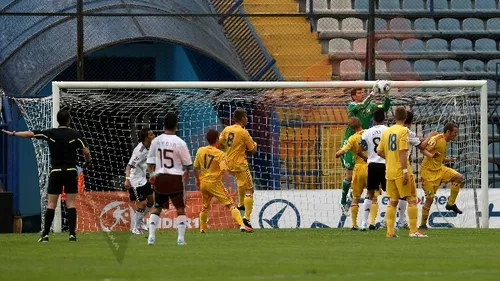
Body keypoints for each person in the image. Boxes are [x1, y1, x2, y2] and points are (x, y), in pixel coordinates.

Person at [2, 109, 91, 242]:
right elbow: (86, 151)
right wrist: (87, 161)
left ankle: (45, 235)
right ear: (68, 120)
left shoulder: (51, 133)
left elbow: (30, 134)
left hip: (56, 172)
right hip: (70, 171)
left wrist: (14, 133)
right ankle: (72, 235)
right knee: (71, 203)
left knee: (51, 204)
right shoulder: (75, 134)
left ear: (57, 120)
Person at [339, 83, 391, 215]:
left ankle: (354, 193)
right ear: (353, 96)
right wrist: (372, 94)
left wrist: (386, 95)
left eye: (362, 92)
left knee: (365, 171)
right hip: (350, 142)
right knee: (349, 174)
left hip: (364, 141)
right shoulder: (352, 106)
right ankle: (343, 201)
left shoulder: (371, 106)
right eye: (358, 93)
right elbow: (361, 106)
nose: (361, 94)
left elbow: (384, 108)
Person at [377, 107, 427, 238]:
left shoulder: (387, 131)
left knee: (393, 201)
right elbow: (402, 152)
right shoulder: (404, 130)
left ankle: (390, 232)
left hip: (390, 172)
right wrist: (405, 171)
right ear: (405, 118)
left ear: (395, 117)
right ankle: (413, 231)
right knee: (411, 199)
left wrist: (390, 158)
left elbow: (379, 151)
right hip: (402, 171)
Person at [194, 129, 253, 233]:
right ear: (217, 140)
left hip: (203, 183)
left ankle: (202, 228)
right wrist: (230, 184)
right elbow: (224, 170)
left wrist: (198, 181)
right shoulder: (220, 154)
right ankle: (242, 225)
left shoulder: (200, 150)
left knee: (205, 206)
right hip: (214, 183)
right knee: (231, 205)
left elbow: (195, 167)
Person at [146, 113, 192, 246]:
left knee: (157, 208)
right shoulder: (180, 142)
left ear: (164, 124)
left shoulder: (156, 141)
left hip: (160, 177)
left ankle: (151, 237)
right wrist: (187, 171)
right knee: (180, 209)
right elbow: (188, 164)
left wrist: (152, 176)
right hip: (175, 178)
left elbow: (149, 163)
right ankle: (180, 239)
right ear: (176, 125)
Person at [396, 111, 437, 230]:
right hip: (403, 167)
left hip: (390, 166)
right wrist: (429, 137)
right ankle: (409, 226)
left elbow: (417, 140)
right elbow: (422, 146)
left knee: (395, 196)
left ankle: (393, 221)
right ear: (411, 121)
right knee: (410, 196)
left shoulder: (392, 130)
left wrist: (429, 153)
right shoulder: (407, 132)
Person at [419, 122, 464, 229]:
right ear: (448, 132)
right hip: (428, 173)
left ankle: (451, 204)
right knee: (429, 200)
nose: (455, 135)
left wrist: (448, 159)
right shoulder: (437, 139)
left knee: (458, 177)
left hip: (440, 169)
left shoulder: (445, 141)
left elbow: (438, 157)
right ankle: (422, 225)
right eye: (454, 133)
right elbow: (422, 149)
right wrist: (432, 155)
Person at [219, 108, 257, 230]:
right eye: (245, 117)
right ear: (242, 118)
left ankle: (241, 205)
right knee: (250, 190)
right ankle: (246, 220)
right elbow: (253, 149)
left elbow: (220, 143)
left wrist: (231, 148)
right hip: (240, 165)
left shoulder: (226, 129)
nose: (247, 119)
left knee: (241, 185)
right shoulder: (243, 132)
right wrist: (254, 144)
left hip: (229, 164)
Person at [356, 109, 387, 231]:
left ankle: (364, 223)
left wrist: (366, 158)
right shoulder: (388, 131)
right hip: (385, 165)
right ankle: (389, 222)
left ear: (373, 120)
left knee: (369, 193)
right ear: (384, 119)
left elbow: (359, 150)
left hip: (372, 165)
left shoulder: (367, 132)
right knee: (391, 194)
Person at [335, 117, 367, 230]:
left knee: (363, 186)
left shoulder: (366, 132)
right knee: (349, 175)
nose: (361, 97)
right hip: (351, 149)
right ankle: (343, 201)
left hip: (361, 159)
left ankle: (361, 223)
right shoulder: (355, 107)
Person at [124, 127, 155, 234]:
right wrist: (127, 180)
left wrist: (152, 176)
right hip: (135, 180)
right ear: (146, 138)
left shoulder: (150, 147)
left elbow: (149, 164)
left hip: (143, 178)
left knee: (151, 200)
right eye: (151, 135)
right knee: (142, 204)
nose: (154, 136)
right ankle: (135, 228)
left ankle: (140, 222)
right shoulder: (139, 151)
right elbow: (128, 166)